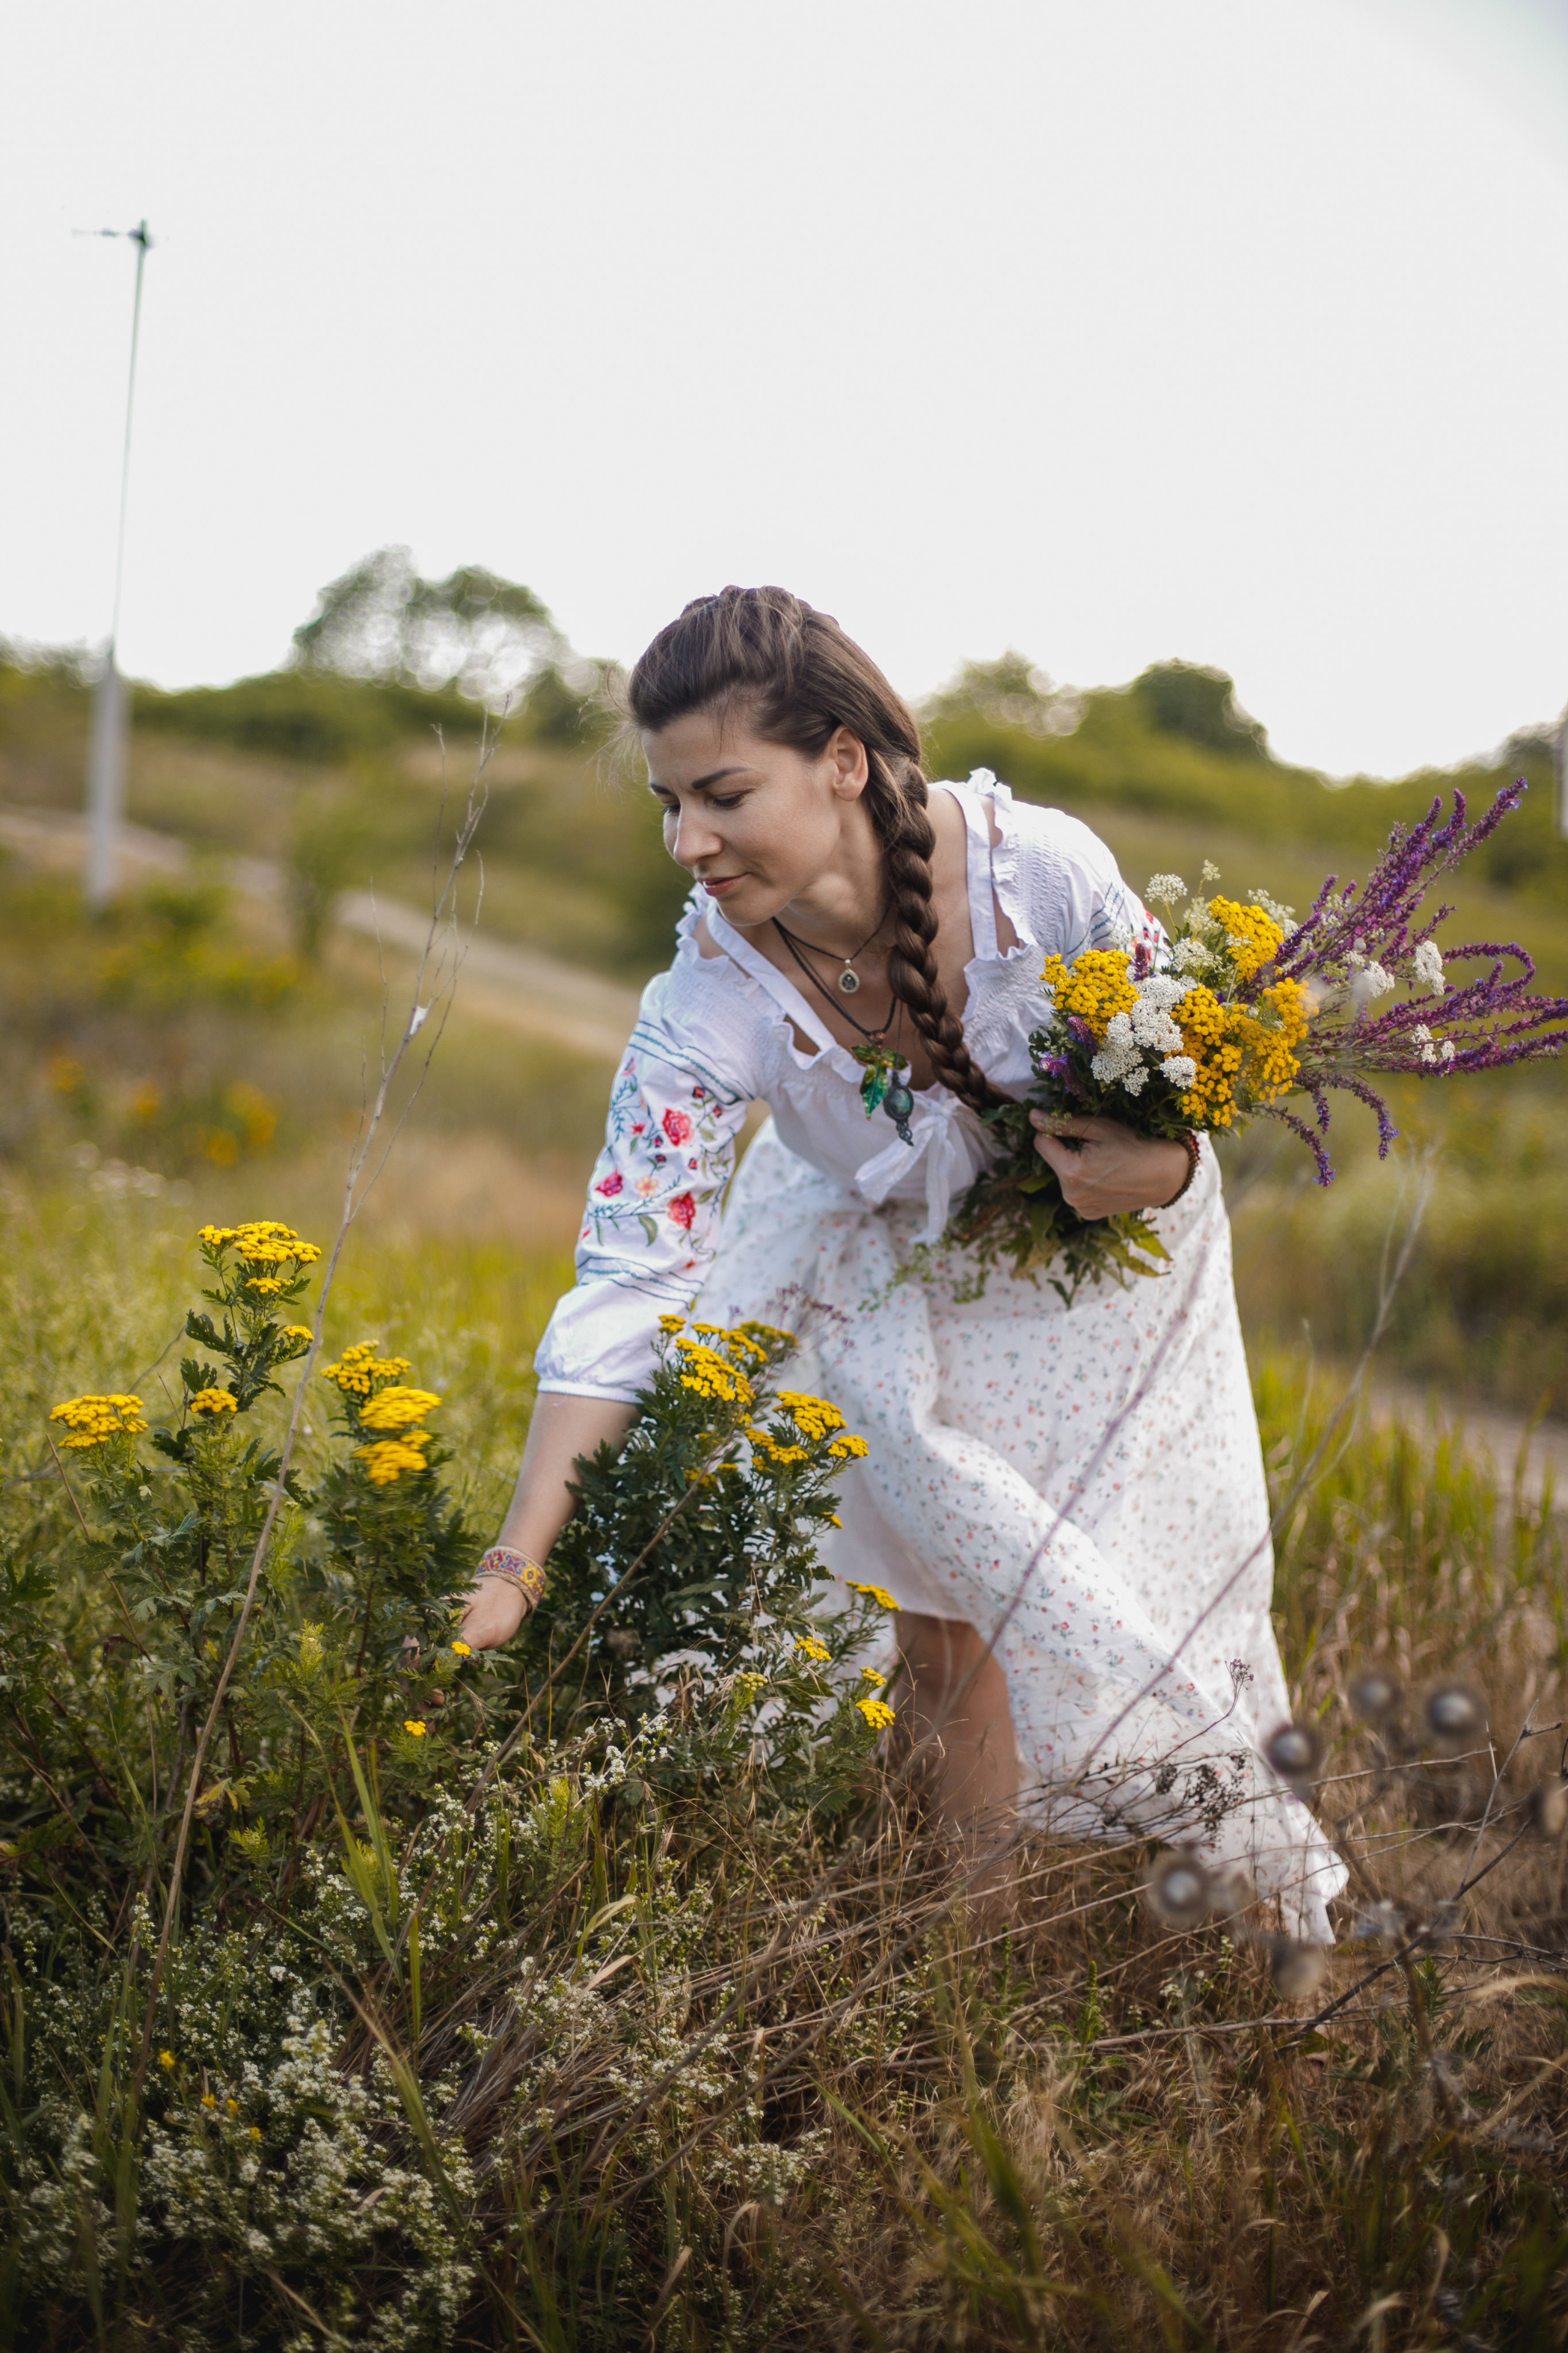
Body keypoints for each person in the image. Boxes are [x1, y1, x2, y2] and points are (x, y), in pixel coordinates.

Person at [459, 586, 1344, 1938]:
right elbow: (631, 1271)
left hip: (1095, 1267)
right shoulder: (705, 1000)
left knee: (1129, 1583)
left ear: (842, 760)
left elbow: (1185, 1114)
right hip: (864, 1257)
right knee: (942, 1610)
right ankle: (960, 1957)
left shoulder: (1043, 879)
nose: (687, 841)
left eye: (722, 795)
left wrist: (1149, 1170)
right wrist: (517, 1564)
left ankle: (1232, 1917)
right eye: (667, 803)